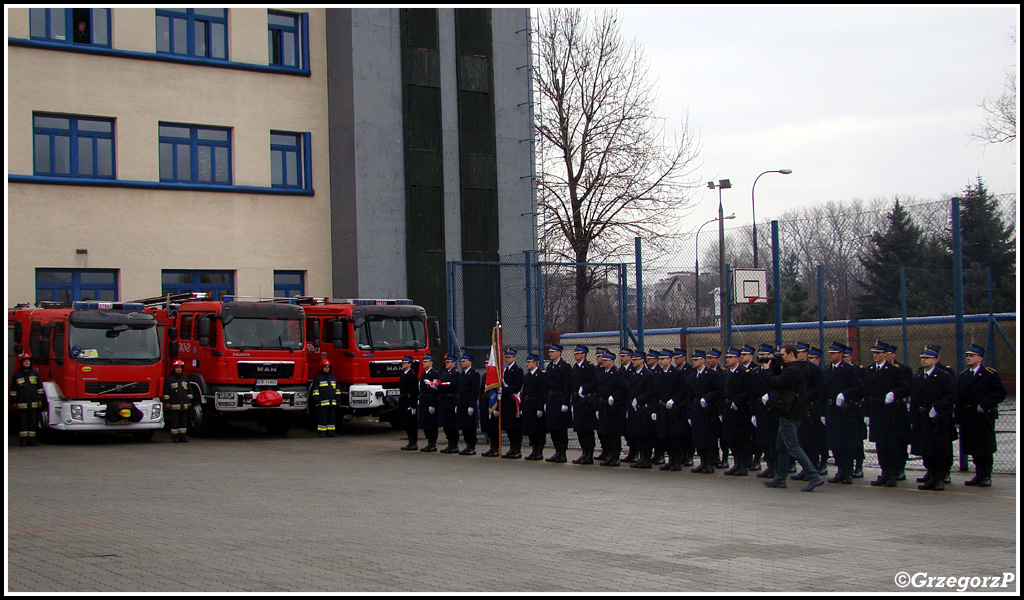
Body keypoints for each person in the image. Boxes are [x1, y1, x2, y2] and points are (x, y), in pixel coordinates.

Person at [763, 344, 825, 492]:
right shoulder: (795, 368)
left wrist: (767, 371)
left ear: (791, 354)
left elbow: (776, 382)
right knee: (782, 447)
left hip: (789, 412)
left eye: (782, 355)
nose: (780, 357)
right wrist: (776, 366)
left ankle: (813, 475)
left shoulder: (795, 370)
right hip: (788, 410)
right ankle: (780, 478)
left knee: (792, 446)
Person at [956, 344, 1007, 487]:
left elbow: (1000, 392)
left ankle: (986, 474)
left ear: (980, 358)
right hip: (968, 416)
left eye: (971, 356)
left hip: (983, 416)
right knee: (973, 446)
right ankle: (978, 473)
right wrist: (958, 416)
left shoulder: (989, 374)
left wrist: (985, 404)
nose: (968, 358)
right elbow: (959, 397)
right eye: (967, 356)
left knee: (985, 446)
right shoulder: (963, 376)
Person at [863, 341, 911, 488]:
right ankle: (884, 472)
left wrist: (894, 394)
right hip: (876, 410)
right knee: (880, 444)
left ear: (885, 354)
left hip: (889, 412)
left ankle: (892, 474)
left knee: (891, 444)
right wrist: (866, 413)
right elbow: (866, 392)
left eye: (878, 353)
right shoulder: (870, 370)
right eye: (874, 353)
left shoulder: (894, 370)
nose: (876, 356)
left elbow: (906, 388)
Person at [909, 345, 957, 491]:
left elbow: (951, 395)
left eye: (927, 358)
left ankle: (939, 478)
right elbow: (914, 399)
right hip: (922, 417)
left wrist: (938, 407)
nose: (923, 360)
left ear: (935, 359)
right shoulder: (918, 376)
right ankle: (930, 476)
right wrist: (912, 417)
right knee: (926, 449)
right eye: (922, 358)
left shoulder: (943, 376)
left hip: (937, 419)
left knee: (938, 449)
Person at [822, 342, 863, 484]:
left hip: (844, 411)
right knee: (835, 443)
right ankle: (840, 470)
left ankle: (847, 472)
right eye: (830, 353)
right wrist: (823, 412)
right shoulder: (826, 370)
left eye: (834, 353)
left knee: (846, 443)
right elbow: (823, 392)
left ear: (841, 354)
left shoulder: (848, 370)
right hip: (831, 410)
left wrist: (845, 394)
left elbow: (859, 386)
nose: (830, 355)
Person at [793, 342, 826, 481]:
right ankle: (805, 468)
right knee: (801, 441)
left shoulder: (813, 369)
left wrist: (804, 396)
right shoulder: (794, 368)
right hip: (798, 408)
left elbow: (818, 389)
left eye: (800, 352)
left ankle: (812, 467)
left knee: (810, 441)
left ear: (805, 354)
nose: (798, 355)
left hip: (809, 408)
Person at [687, 350, 721, 473]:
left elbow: (717, 390)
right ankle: (702, 461)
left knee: (708, 437)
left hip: (707, 410)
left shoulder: (711, 374)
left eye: (696, 360)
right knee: (698, 437)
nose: (694, 362)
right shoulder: (692, 376)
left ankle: (709, 462)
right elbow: (689, 394)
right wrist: (689, 411)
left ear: (703, 360)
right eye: (693, 360)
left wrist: (707, 398)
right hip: (696, 409)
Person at [720, 348, 751, 476]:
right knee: (730, 438)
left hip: (739, 410)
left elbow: (747, 391)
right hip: (728, 408)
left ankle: (743, 465)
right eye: (727, 357)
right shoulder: (726, 373)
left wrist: (737, 400)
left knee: (740, 440)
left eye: (731, 357)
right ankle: (737, 464)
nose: (728, 359)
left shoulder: (743, 373)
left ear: (737, 359)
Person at [750, 344, 778, 478]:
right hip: (760, 408)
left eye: (766, 355)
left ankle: (775, 467)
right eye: (761, 354)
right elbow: (752, 394)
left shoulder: (776, 370)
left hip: (773, 409)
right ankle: (769, 466)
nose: (763, 357)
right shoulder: (755, 372)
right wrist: (753, 413)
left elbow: (779, 385)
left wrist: (770, 395)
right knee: (764, 440)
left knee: (773, 440)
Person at [625, 350, 655, 469]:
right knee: (637, 434)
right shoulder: (633, 374)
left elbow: (650, 392)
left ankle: (646, 458)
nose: (633, 361)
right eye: (633, 359)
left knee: (645, 435)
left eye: (636, 359)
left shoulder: (648, 375)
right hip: (634, 408)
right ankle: (641, 457)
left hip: (643, 409)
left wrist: (639, 399)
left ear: (642, 360)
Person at [543, 345, 572, 463]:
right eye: (549, 352)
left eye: (552, 352)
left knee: (561, 428)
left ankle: (562, 452)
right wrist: (546, 401)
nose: (550, 354)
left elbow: (567, 385)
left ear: (559, 353)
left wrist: (565, 402)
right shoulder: (549, 366)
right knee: (552, 427)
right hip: (551, 399)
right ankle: (556, 451)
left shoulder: (565, 367)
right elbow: (546, 385)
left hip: (560, 399)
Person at [570, 345, 598, 464]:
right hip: (577, 401)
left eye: (578, 353)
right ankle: (584, 452)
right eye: (575, 353)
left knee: (587, 428)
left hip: (586, 402)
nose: (575, 355)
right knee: (579, 428)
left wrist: (584, 388)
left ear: (584, 354)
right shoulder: (575, 367)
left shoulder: (589, 367)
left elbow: (595, 382)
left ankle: (589, 453)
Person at [11, 353, 44, 446]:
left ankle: (32, 440)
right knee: (22, 423)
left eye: (28, 361)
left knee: (33, 423)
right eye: (25, 361)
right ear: (21, 363)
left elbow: (39, 388)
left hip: (33, 403)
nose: (26, 363)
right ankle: (23, 440)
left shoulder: (35, 374)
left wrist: (40, 400)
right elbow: (13, 389)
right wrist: (13, 401)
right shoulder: (17, 375)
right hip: (21, 404)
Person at [520, 353, 547, 460]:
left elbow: (542, 392)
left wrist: (540, 408)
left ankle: (539, 451)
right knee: (530, 429)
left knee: (538, 429)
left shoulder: (541, 375)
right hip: (528, 405)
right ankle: (534, 450)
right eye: (526, 362)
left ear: (535, 363)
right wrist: (521, 407)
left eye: (529, 362)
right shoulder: (527, 376)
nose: (526, 364)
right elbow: (523, 392)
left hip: (536, 404)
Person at [500, 349, 525, 459]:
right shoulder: (504, 371)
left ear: (514, 358)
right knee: (508, 426)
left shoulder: (518, 370)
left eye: (509, 357)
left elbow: (517, 386)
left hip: (513, 401)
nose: (507, 359)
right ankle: (511, 448)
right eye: (506, 357)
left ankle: (517, 449)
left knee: (515, 426)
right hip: (506, 401)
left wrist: (503, 391)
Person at [163, 358, 196, 443]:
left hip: (184, 406)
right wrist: (166, 403)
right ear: (173, 368)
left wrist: (189, 401)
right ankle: (175, 437)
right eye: (177, 367)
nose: (179, 369)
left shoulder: (185, 379)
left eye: (180, 368)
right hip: (174, 406)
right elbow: (166, 393)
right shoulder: (170, 380)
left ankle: (183, 437)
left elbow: (189, 392)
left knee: (184, 423)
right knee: (174, 423)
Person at [435, 354, 462, 454]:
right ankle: (449, 443)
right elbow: (441, 384)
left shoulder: (456, 373)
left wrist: (443, 386)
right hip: (443, 400)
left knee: (452, 423)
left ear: (454, 363)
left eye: (448, 362)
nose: (446, 364)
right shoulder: (444, 373)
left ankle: (454, 444)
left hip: (451, 399)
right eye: (446, 362)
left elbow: (452, 386)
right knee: (445, 424)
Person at [456, 354, 481, 455]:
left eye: (464, 361)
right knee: (464, 425)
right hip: (461, 401)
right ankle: (467, 445)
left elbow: (475, 391)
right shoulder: (461, 374)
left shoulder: (474, 374)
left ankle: (472, 446)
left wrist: (471, 405)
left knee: (470, 426)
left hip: (469, 401)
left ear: (469, 362)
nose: (462, 363)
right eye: (461, 361)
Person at [417, 355, 440, 452]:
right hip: (423, 400)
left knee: (431, 423)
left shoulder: (434, 374)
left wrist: (432, 404)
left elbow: (435, 390)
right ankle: (429, 443)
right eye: (423, 361)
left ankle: (432, 443)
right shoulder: (423, 374)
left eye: (426, 361)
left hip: (430, 399)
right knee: (425, 422)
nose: (424, 363)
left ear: (431, 363)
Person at [398, 356, 419, 451]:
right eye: (402, 363)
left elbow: (414, 391)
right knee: (406, 422)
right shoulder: (403, 374)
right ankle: (410, 441)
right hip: (404, 400)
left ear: (410, 364)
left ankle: (413, 442)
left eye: (405, 363)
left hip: (409, 400)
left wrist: (413, 405)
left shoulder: (412, 375)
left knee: (412, 423)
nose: (403, 365)